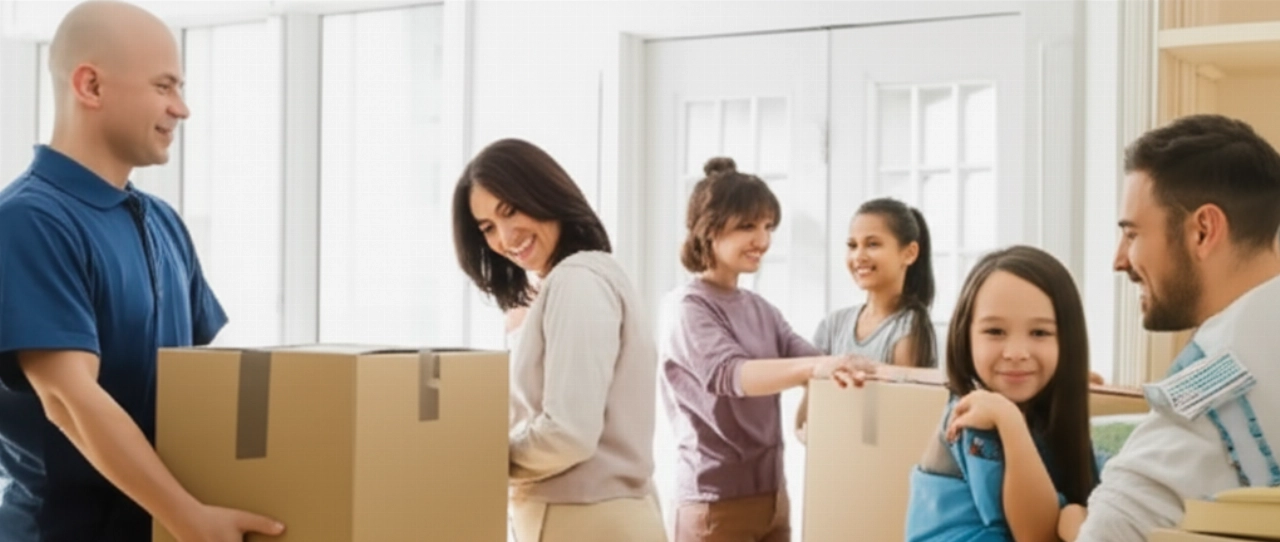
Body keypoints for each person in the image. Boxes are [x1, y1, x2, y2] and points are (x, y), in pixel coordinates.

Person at [0, 2, 285, 541]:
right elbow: (67, 401)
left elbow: (200, 389)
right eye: (164, 86)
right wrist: (189, 518)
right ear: (90, 86)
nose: (182, 108)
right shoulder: (28, 221)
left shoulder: (162, 222)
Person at [1062, 115, 1280, 541]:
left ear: (1203, 231)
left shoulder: (1220, 391)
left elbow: (1111, 527)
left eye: (1132, 235)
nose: (1119, 260)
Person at [452, 138, 666, 542]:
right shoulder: (581, 279)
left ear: (543, 192)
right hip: (599, 517)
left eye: (510, 211)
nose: (505, 237)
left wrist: (485, 456)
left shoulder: (577, 281)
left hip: (583, 520)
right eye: (488, 228)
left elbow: (569, 433)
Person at [660, 157, 868, 542]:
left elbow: (809, 357)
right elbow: (731, 375)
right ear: (709, 228)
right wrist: (813, 369)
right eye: (748, 226)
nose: (763, 240)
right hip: (714, 504)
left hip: (772, 497)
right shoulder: (688, 307)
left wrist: (851, 365)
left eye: (768, 226)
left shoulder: (761, 309)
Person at [905, 246, 1098, 542]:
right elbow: (1036, 536)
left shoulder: (1042, 410)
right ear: (965, 336)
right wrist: (1008, 421)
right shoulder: (973, 415)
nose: (1016, 353)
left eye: (1040, 333)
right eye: (995, 332)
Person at [797, 197, 938, 440]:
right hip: (831, 454)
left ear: (909, 253)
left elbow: (903, 425)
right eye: (852, 245)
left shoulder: (910, 327)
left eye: (872, 244)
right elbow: (805, 420)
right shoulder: (832, 325)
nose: (858, 256)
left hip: (881, 459)